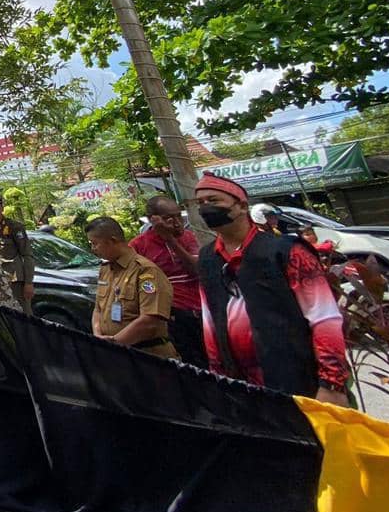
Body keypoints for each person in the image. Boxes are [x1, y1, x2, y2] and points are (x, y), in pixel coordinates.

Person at [195, 173, 349, 404]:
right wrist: (219, 376)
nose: (206, 207)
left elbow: (324, 318)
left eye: (214, 200)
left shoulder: (286, 251)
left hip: (297, 378)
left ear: (242, 206)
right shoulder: (207, 258)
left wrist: (331, 384)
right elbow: (210, 320)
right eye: (200, 203)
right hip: (240, 386)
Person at [86, 216, 179, 359]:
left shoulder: (145, 271)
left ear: (112, 241)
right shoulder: (106, 269)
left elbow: (150, 321)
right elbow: (98, 308)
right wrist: (99, 336)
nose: (93, 249)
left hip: (147, 355)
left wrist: (114, 343)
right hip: (117, 356)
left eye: (95, 244)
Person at [129, 196, 205, 367]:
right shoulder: (138, 246)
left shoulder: (188, 238)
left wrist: (171, 240)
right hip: (170, 314)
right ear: (152, 219)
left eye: (179, 216)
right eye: (169, 218)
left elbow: (197, 269)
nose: (177, 222)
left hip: (199, 309)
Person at [0, 193, 35, 313]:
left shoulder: (14, 226)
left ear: (2, 207)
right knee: (4, 315)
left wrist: (28, 283)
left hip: (15, 279)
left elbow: (27, 255)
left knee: (23, 314)